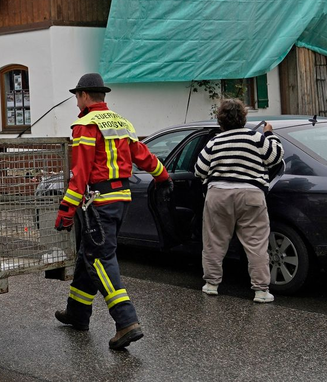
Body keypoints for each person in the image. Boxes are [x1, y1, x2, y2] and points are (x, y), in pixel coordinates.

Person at [54, 73, 171, 350]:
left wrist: (66, 210)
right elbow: (141, 154)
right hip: (121, 199)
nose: (76, 102)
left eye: (77, 97)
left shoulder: (85, 125)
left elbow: (80, 173)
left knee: (100, 259)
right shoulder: (121, 121)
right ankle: (78, 313)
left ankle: (126, 321)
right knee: (89, 254)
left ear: (83, 96)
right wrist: (163, 175)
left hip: (98, 203)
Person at [194, 99, 283, 303]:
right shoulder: (256, 138)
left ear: (221, 121)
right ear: (243, 117)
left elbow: (199, 170)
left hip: (218, 196)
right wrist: (269, 134)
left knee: (214, 242)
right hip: (251, 195)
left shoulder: (214, 142)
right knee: (256, 244)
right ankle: (261, 291)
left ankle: (211, 284)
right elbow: (276, 157)